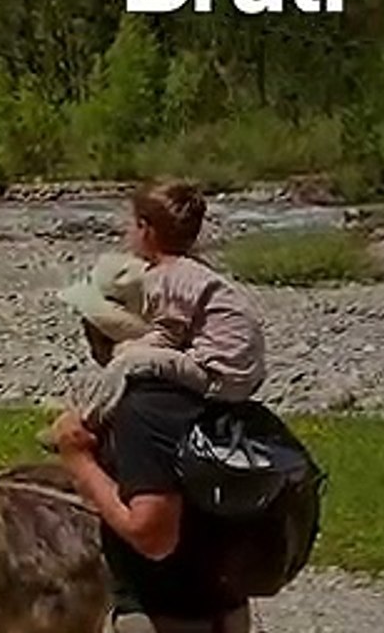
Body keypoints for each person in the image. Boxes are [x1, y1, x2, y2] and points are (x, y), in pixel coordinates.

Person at [52, 257, 252, 633]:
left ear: (100, 329)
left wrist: (79, 461)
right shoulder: (200, 383)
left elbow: (153, 535)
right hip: (222, 607)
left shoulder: (144, 405)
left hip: (163, 617)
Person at [67, 180, 267, 430]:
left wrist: (126, 349)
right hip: (240, 372)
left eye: (130, 224)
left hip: (219, 375)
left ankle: (83, 422)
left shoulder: (172, 274)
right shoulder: (195, 269)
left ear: (145, 229)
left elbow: (168, 335)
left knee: (129, 362)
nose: (126, 232)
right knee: (136, 357)